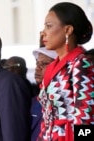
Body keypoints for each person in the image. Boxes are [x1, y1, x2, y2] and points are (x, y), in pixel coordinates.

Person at [38, 2, 94, 141]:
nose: (43, 32)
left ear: (68, 30)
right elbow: (46, 117)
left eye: (49, 26)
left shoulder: (81, 64)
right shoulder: (52, 67)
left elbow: (86, 117)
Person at [31, 47, 57, 141]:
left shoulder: (71, 98)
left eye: (45, 64)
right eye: (37, 63)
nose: (37, 68)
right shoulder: (33, 101)